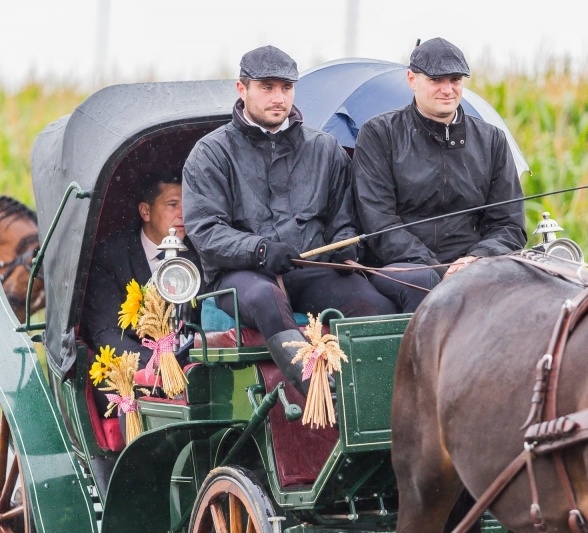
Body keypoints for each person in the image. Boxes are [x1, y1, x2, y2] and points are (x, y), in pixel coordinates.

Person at [182, 45, 396, 397]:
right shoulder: (211, 153)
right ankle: (317, 392)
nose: (278, 98)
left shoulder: (325, 149)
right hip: (239, 277)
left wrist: (347, 249)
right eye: (267, 88)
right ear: (242, 89)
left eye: (286, 87)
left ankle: (378, 398)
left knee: (374, 304)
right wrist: (260, 250)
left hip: (310, 268)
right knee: (266, 298)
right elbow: (207, 232)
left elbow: (343, 220)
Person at [352, 37, 527, 312]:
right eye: (436, 80)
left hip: (473, 264)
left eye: (455, 79)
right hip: (403, 268)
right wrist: (437, 267)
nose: (447, 90)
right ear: (412, 79)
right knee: (424, 280)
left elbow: (510, 225)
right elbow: (379, 224)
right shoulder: (379, 133)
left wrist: (477, 257)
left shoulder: (492, 140)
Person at [82, 171, 201, 368]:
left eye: (186, 205)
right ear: (145, 211)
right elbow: (105, 332)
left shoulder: (199, 253)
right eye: (173, 205)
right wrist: (155, 363)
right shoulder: (111, 257)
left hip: (193, 366)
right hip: (134, 367)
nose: (183, 214)